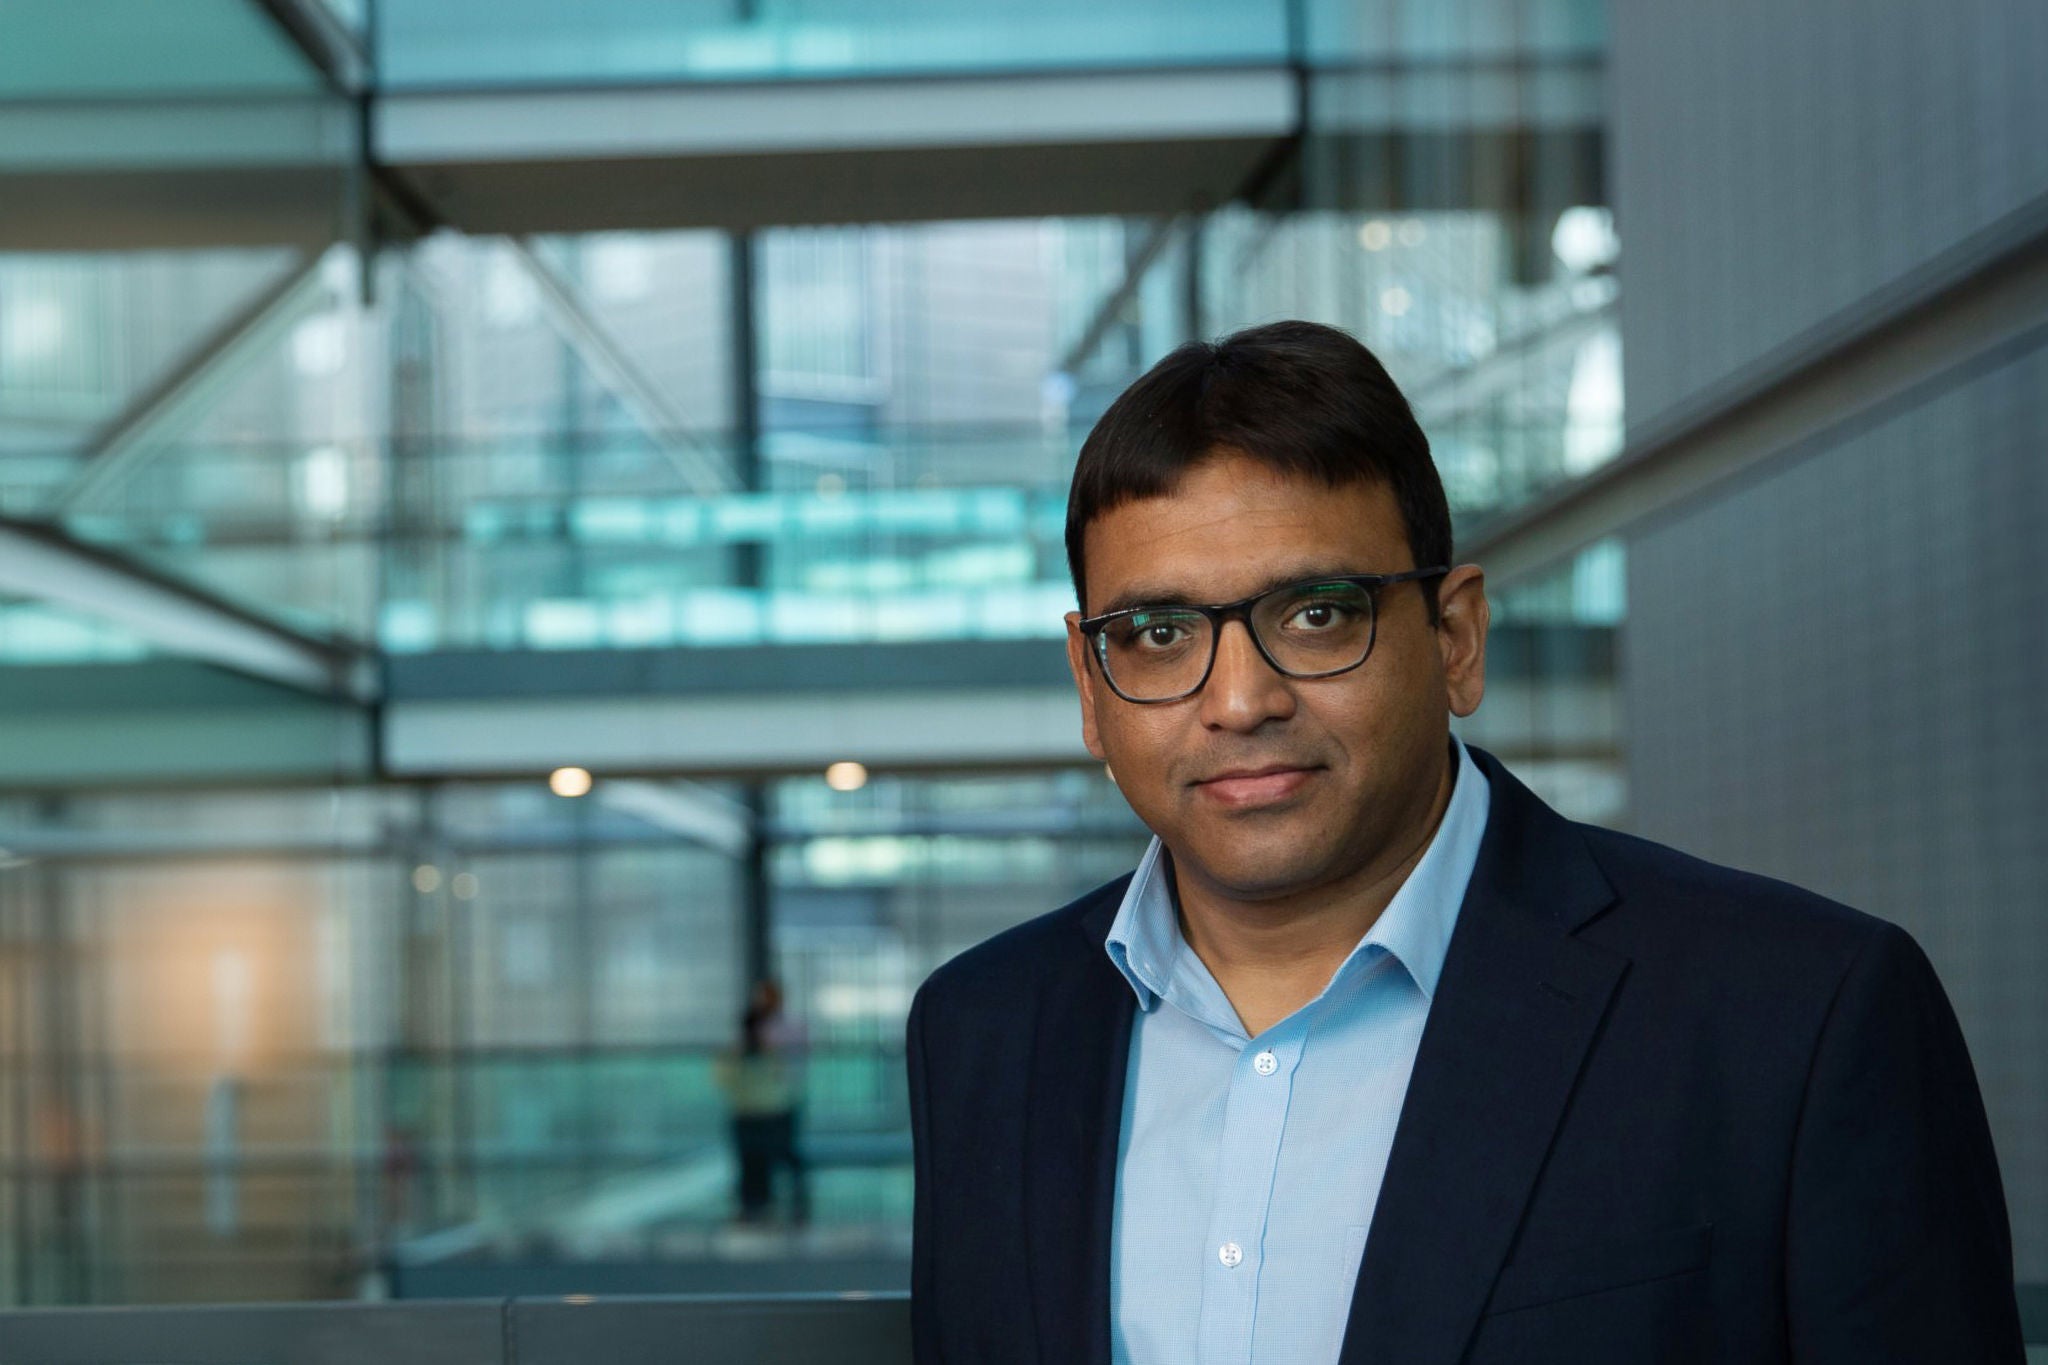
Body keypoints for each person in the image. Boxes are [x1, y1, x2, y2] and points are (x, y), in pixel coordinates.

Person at [905, 321, 2023, 1363]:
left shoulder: (1794, 1012)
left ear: (1453, 637)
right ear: (1089, 689)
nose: (1237, 701)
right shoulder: (982, 1035)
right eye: (1154, 634)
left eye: (1315, 613)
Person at [714, 978, 810, 1224]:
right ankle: (756, 1206)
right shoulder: (742, 1043)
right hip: (751, 1110)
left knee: (782, 1156)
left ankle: (793, 1202)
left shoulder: (786, 1031)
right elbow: (725, 1076)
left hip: (775, 1108)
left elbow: (792, 1070)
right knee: (751, 1162)